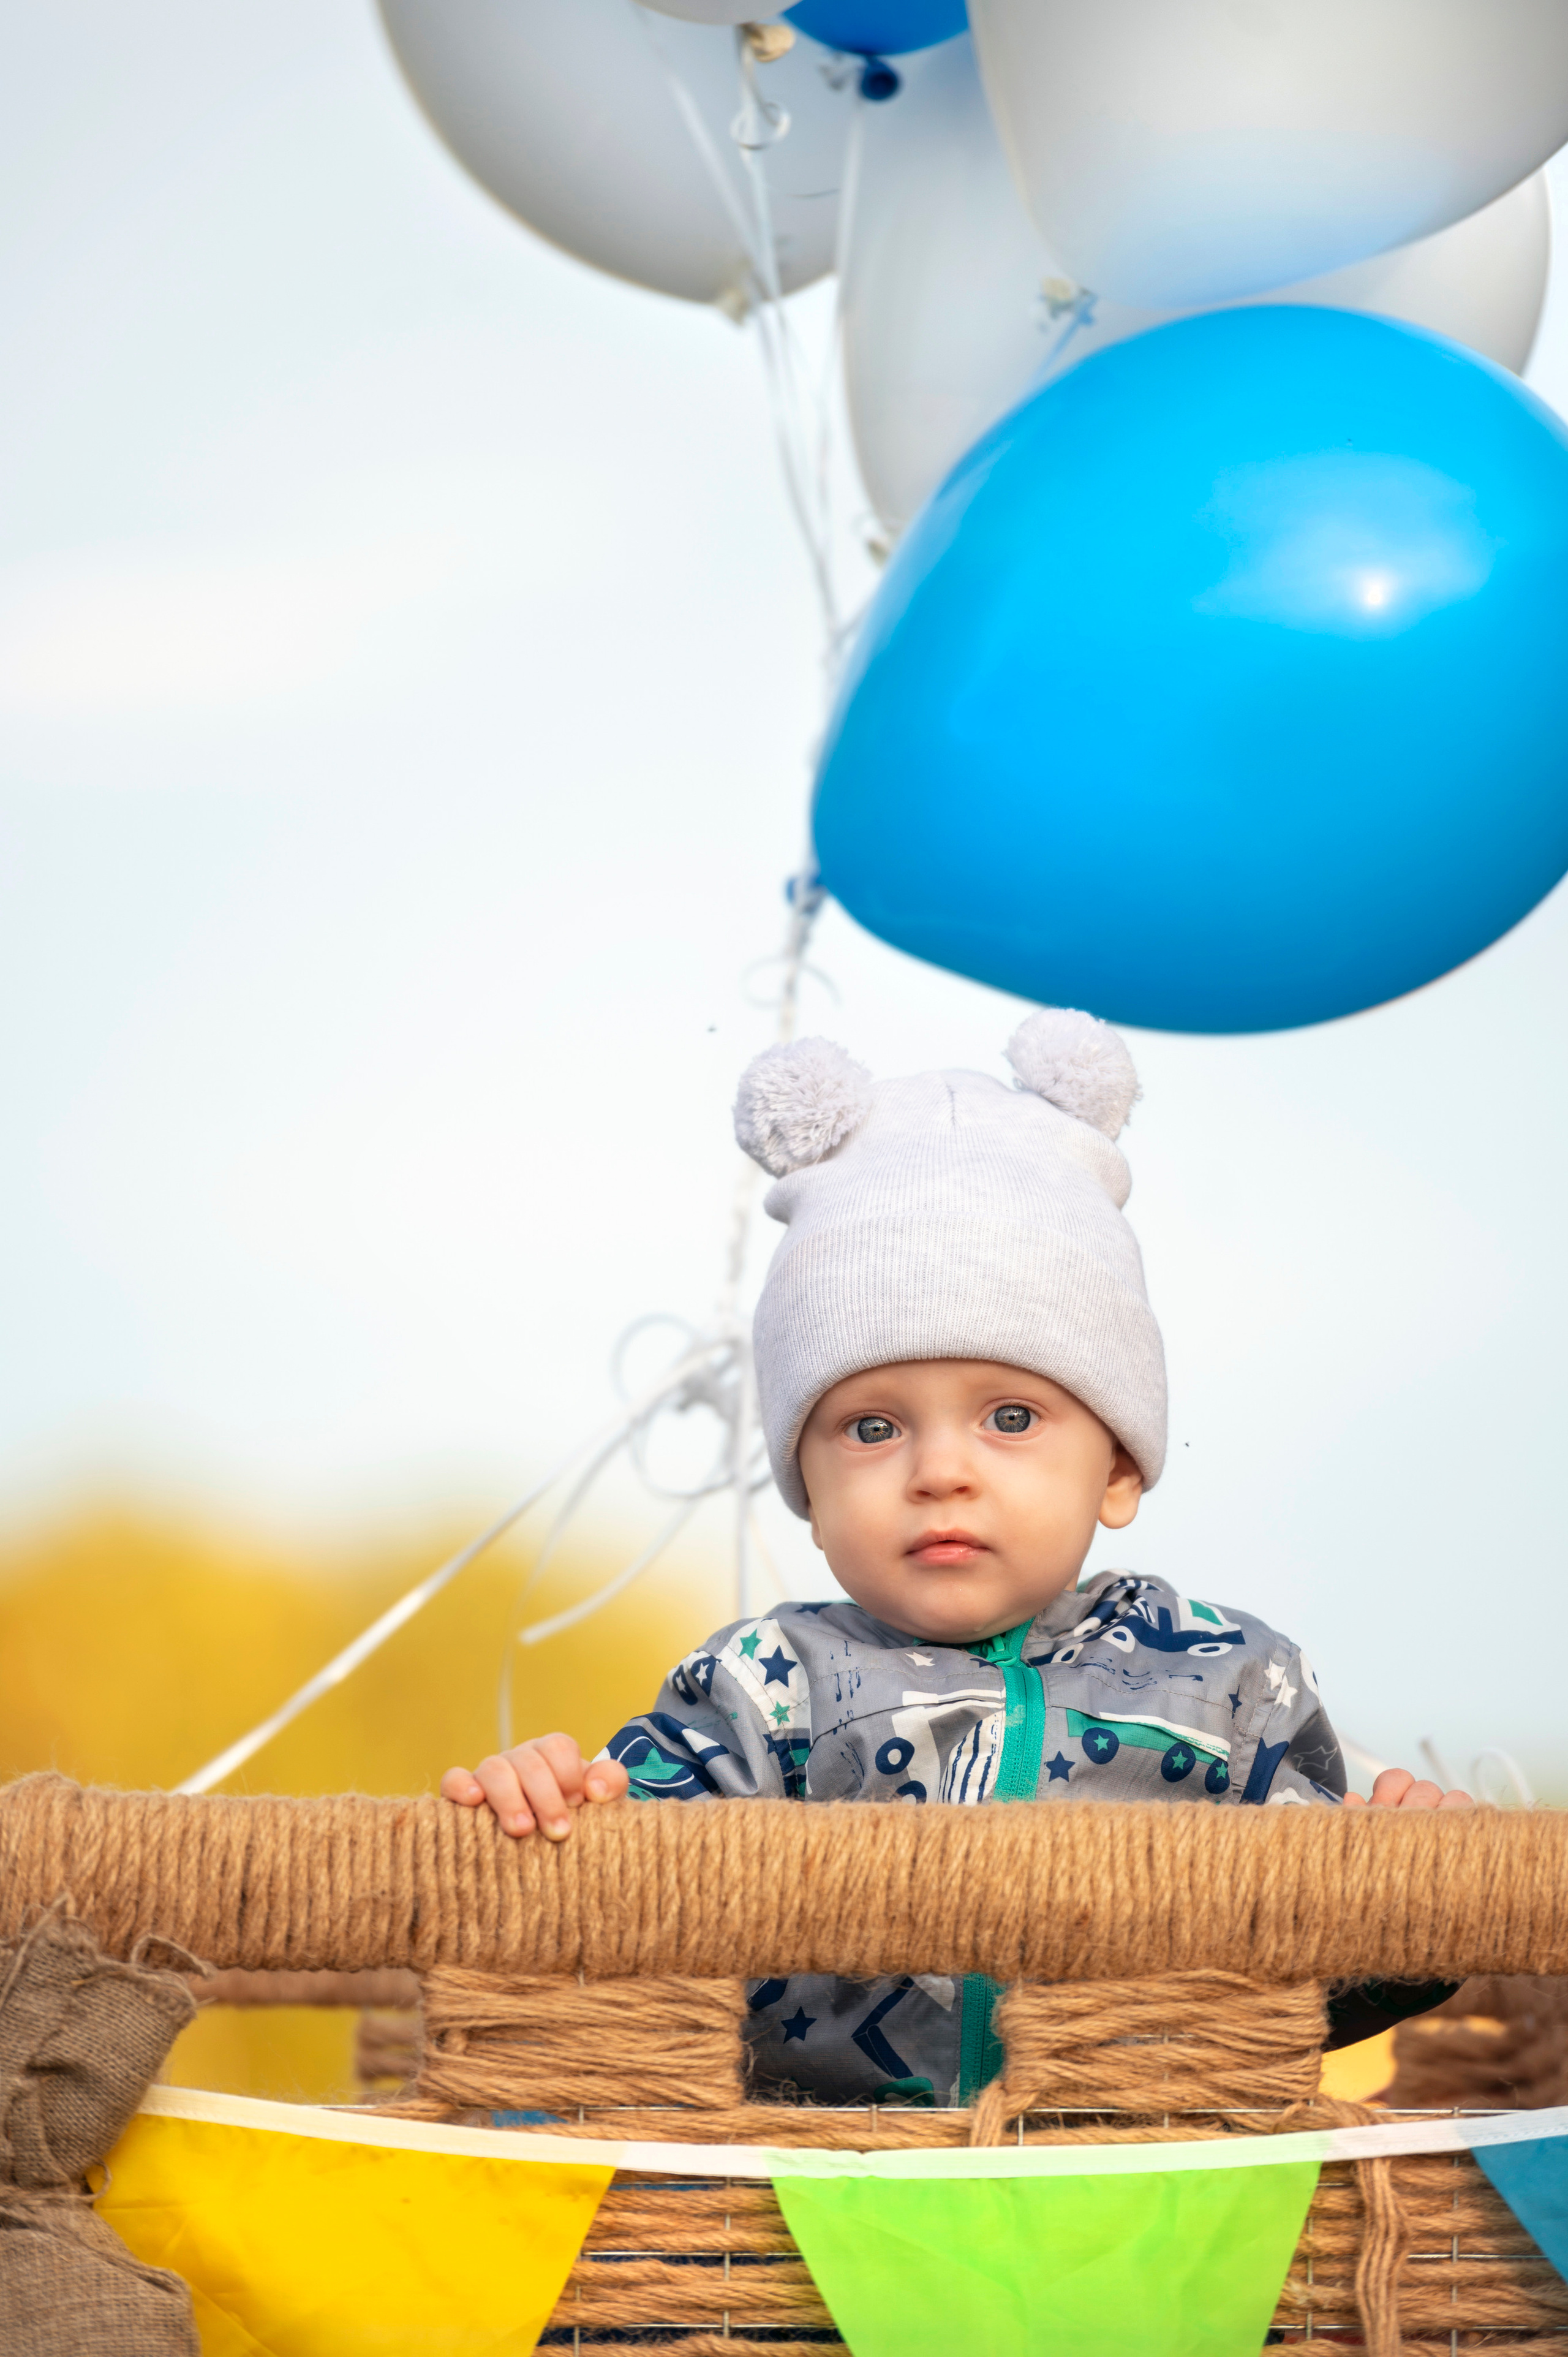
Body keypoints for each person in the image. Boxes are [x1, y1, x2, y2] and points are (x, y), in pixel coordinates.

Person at [442, 1008, 1471, 2106]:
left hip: (1149, 2200)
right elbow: (616, 1936)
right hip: (823, 2202)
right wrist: (554, 1814)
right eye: (873, 1429)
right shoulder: (763, 1689)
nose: (940, 1471)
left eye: (1012, 1419)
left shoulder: (1223, 1680)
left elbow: (1322, 1988)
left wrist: (1414, 1896)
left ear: (1118, 1469)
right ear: (810, 1490)